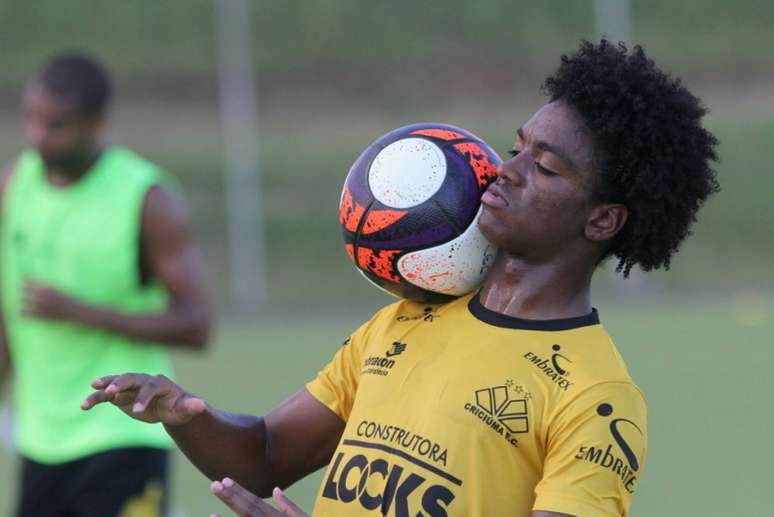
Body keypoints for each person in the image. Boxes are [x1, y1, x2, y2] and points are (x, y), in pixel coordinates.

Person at [82, 40, 719, 517]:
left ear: (603, 219)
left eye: (545, 168)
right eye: (518, 146)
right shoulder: (409, 315)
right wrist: (187, 415)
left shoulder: (596, 397)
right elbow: (267, 455)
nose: (507, 170)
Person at [0, 53, 212, 517]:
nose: (39, 136)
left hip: (122, 433)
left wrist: (83, 313)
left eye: (57, 125)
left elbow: (197, 325)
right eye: (32, 120)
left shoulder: (146, 198)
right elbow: (8, 311)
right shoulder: (14, 186)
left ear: (97, 123)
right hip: (39, 441)